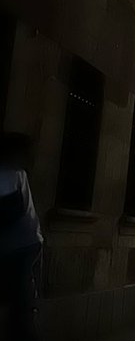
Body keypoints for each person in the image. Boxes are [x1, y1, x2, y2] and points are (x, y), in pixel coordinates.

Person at [0, 133, 42, 340]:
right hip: (27, 243)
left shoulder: (9, 173)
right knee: (21, 304)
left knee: (20, 305)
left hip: (17, 247)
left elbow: (9, 211)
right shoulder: (18, 173)